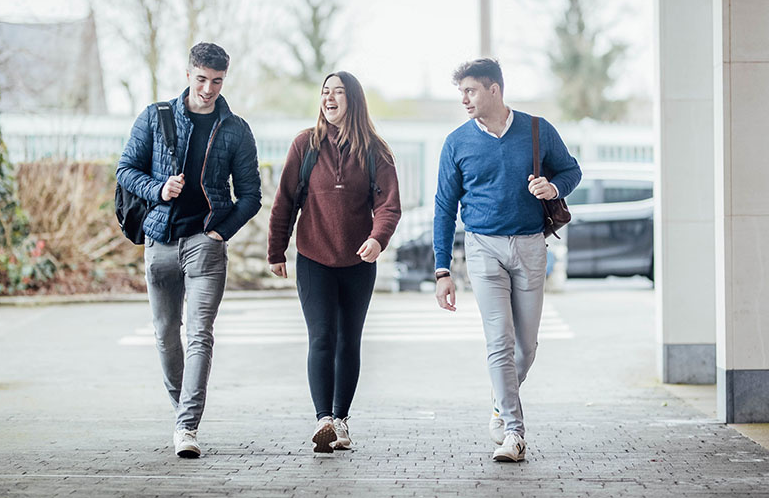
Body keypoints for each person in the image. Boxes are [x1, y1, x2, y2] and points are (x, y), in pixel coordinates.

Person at [116, 42, 261, 458]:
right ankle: (183, 412)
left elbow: (250, 195)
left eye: (216, 82)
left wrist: (222, 232)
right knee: (165, 335)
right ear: (188, 74)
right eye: (201, 80)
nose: (208, 89)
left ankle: (186, 425)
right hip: (160, 241)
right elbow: (126, 170)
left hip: (205, 243)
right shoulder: (156, 116)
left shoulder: (235, 129)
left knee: (200, 334)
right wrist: (159, 189)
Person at [433, 58, 581, 462]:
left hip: (531, 245)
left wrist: (552, 187)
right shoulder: (457, 142)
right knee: (498, 341)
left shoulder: (537, 130)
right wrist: (442, 269)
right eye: (461, 92)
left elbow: (572, 171)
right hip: (482, 248)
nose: (464, 99)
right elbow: (444, 207)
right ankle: (514, 432)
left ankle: (501, 401)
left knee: (526, 346)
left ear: (494, 90)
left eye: (471, 91)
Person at [267, 71, 401, 453]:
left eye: (338, 92)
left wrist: (378, 239)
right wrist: (277, 250)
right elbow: (284, 201)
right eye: (325, 92)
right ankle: (322, 418)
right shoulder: (304, 146)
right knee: (322, 336)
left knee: (349, 341)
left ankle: (341, 421)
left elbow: (389, 205)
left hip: (359, 262)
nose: (330, 98)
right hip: (314, 258)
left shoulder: (376, 151)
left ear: (353, 101)